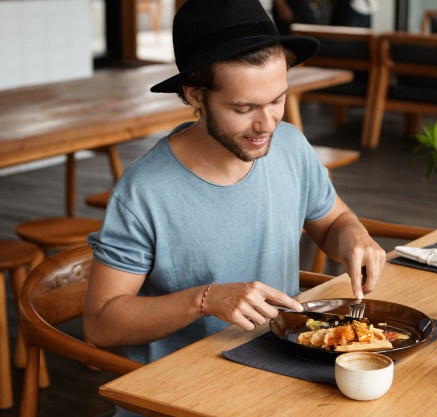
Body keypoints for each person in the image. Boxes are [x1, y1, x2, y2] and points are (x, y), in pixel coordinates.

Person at [84, 0, 385, 409]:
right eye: (243, 108)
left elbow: (333, 222)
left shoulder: (291, 146)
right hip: (179, 396)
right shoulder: (145, 190)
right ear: (195, 94)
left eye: (277, 99)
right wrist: (205, 300)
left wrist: (354, 236)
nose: (267, 124)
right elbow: (101, 323)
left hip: (281, 376)